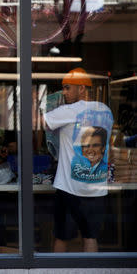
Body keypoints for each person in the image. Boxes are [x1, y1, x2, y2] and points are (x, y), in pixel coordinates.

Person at [42, 68, 114, 252]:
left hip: (69, 188)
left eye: (67, 88)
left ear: (82, 88)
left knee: (61, 237)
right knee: (90, 237)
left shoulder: (68, 110)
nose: (64, 93)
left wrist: (43, 104)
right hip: (97, 187)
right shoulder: (106, 110)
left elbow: (37, 122)